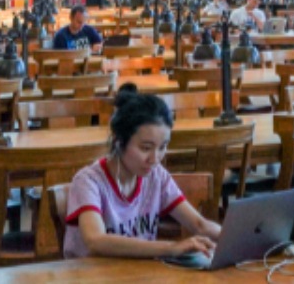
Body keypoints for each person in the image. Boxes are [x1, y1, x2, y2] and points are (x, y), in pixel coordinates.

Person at [63, 84, 221, 259]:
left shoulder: (156, 176)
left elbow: (200, 225)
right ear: (118, 141)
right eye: (146, 148)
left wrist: (241, 239)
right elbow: (96, 240)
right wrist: (171, 247)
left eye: (163, 147)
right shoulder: (88, 181)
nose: (155, 159)